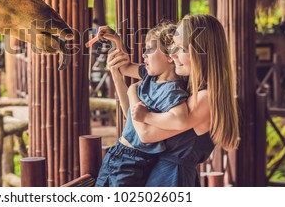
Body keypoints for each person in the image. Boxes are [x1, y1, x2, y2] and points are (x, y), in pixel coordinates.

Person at [128, 14, 240, 186]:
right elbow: (135, 124)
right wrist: (117, 72)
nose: (172, 54)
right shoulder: (187, 88)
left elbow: (146, 134)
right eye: (173, 45)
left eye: (181, 48)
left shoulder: (205, 98)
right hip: (161, 176)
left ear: (203, 51)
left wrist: (131, 91)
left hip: (173, 179)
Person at [94, 21, 190, 187]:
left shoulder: (172, 91)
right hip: (118, 152)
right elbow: (123, 68)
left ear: (169, 56)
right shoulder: (150, 76)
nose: (144, 54)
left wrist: (146, 115)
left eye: (150, 49)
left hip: (133, 161)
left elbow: (180, 117)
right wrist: (116, 40)